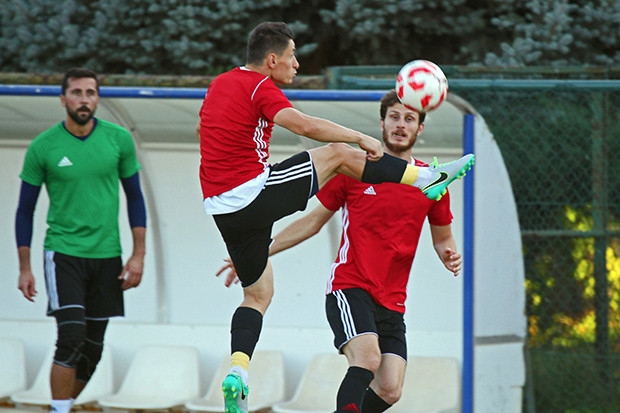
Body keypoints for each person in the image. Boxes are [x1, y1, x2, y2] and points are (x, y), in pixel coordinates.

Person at [199, 22, 473, 413]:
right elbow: (306, 126)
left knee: (258, 295)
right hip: (250, 194)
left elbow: (203, 127)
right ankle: (429, 176)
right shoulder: (259, 85)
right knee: (341, 155)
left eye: (409, 119)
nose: (296, 63)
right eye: (292, 56)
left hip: (224, 211)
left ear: (419, 126)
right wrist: (358, 138)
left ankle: (238, 371)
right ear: (272, 59)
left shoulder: (220, 84)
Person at [15, 67, 147, 413]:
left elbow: (136, 199)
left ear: (97, 99)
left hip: (107, 255)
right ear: (63, 99)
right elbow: (24, 211)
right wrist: (25, 268)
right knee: (71, 335)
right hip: (63, 254)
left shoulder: (118, 140)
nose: (84, 99)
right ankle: (61, 410)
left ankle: (63, 404)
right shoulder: (43, 147)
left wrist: (138, 256)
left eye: (90, 93)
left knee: (93, 348)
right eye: (77, 93)